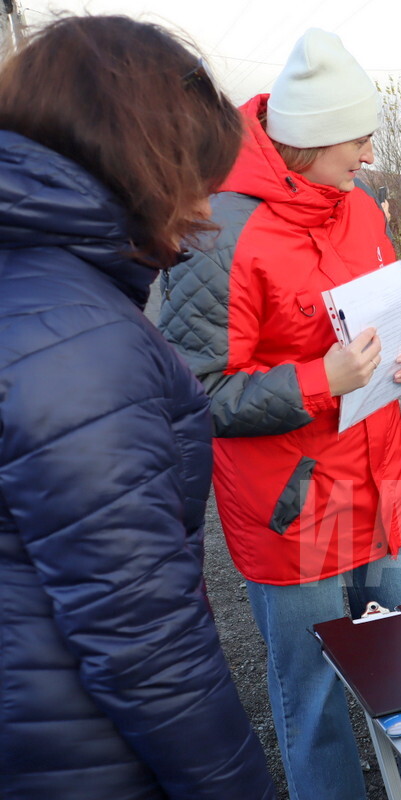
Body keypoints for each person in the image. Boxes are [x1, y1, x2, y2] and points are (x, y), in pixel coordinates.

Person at [0, 16, 274, 799]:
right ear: (145, 160)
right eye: (197, 177)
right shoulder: (76, 335)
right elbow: (143, 635)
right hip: (74, 752)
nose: (204, 213)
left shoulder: (31, 286)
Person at [158, 29, 401, 800]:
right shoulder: (220, 231)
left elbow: (393, 316)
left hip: (384, 494)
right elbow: (196, 394)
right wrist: (319, 380)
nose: (371, 155)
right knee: (313, 697)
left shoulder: (362, 209)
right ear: (310, 139)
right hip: (297, 514)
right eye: (359, 139)